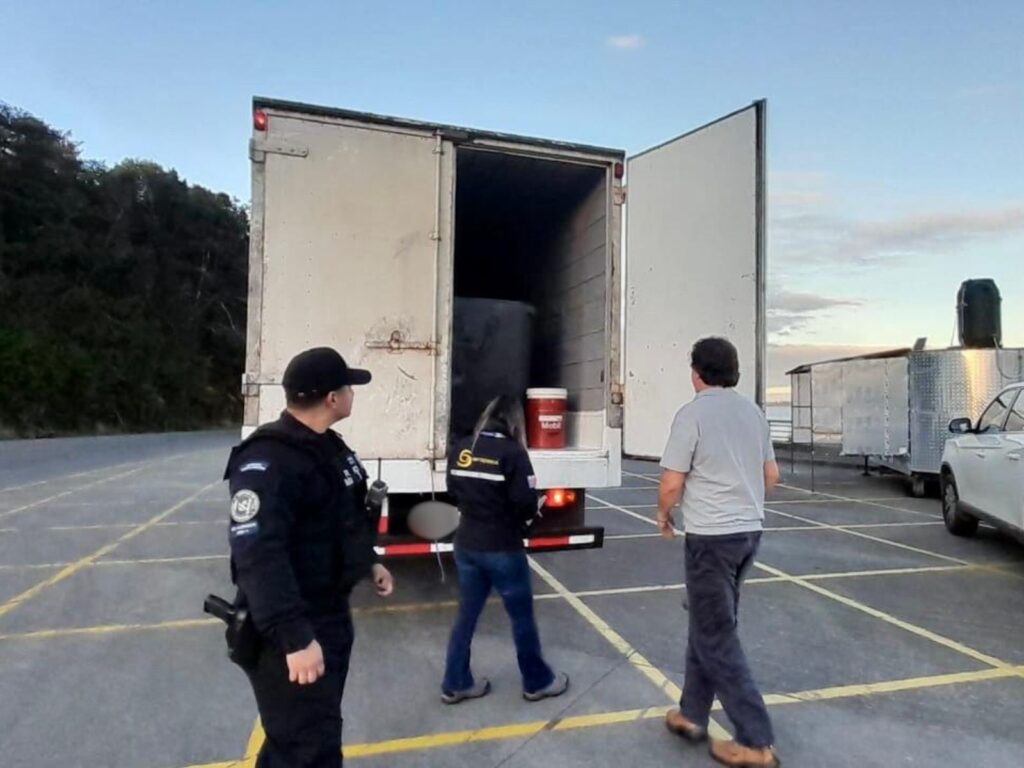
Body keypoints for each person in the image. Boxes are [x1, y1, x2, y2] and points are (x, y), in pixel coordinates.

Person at [224, 347, 395, 767]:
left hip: (328, 614)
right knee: (309, 748)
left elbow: (342, 518)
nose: (353, 394)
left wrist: (367, 561)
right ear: (332, 399)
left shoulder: (327, 447)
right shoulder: (268, 459)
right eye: (349, 387)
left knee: (299, 739)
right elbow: (258, 555)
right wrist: (294, 638)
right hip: (291, 627)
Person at [656, 337, 781, 768]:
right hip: (748, 534)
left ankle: (755, 741)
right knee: (709, 623)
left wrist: (664, 514)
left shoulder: (692, 415)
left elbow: (672, 482)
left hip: (711, 539)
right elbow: (771, 475)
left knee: (716, 636)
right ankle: (692, 713)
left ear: (696, 372)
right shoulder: (754, 413)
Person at [440, 395, 569, 704]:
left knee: (466, 617)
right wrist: (533, 506)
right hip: (502, 548)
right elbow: (525, 504)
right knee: (521, 618)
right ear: (514, 422)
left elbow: (452, 489)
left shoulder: (462, 448)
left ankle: (456, 683)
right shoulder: (513, 454)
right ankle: (537, 682)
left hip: (466, 544)